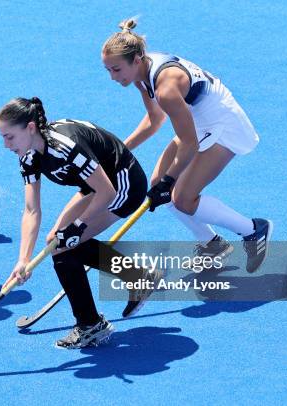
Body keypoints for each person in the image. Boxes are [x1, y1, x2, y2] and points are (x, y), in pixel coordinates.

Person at [101, 18, 273, 273]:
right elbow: (154, 120)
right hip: (197, 122)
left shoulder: (166, 88)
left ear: (136, 59)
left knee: (181, 197)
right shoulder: (140, 76)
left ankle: (253, 230)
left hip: (222, 124)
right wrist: (119, 153)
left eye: (116, 69)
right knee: (158, 182)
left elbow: (190, 144)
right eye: (108, 70)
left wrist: (170, 180)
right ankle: (212, 244)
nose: (112, 77)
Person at [0, 97, 162, 349]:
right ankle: (138, 276)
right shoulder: (29, 155)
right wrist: (23, 260)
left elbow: (107, 191)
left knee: (64, 246)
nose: (5, 145)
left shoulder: (64, 147)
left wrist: (79, 226)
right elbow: (31, 210)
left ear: (30, 128)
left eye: (9, 137)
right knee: (57, 240)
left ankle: (91, 325)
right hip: (95, 186)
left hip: (122, 184)